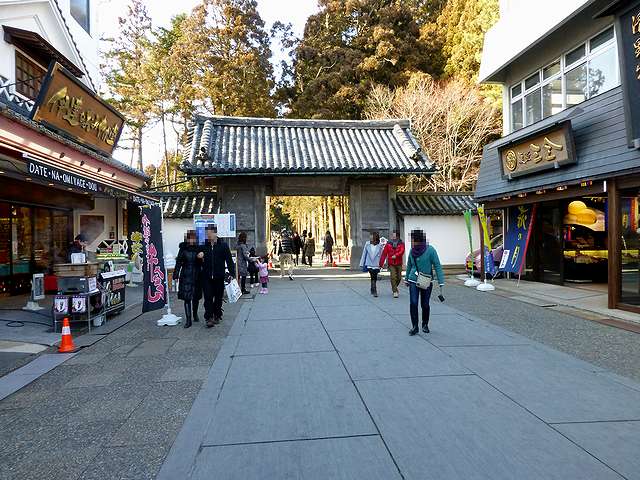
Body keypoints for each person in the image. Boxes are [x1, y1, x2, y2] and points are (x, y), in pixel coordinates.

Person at [405, 229, 444, 336]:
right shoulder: (412, 250)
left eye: (413, 239)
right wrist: (406, 278)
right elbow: (409, 265)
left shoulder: (431, 250)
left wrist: (441, 281)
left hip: (426, 280)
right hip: (413, 279)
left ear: (418, 239)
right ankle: (415, 326)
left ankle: (425, 324)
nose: (411, 241)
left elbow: (437, 265)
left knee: (425, 304)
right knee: (413, 303)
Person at [198, 225, 235, 328]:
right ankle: (209, 318)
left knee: (218, 298)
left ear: (215, 233)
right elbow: (198, 261)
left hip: (219, 276)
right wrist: (199, 257)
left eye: (210, 233)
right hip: (206, 276)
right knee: (208, 297)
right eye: (207, 234)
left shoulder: (223, 245)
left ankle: (217, 315)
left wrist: (232, 274)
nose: (208, 236)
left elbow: (229, 260)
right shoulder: (203, 246)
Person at [174, 230, 201, 328]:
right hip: (186, 275)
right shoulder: (183, 249)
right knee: (187, 298)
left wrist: (201, 258)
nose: (191, 240)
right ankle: (188, 319)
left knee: (196, 297)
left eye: (193, 238)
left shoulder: (199, 249)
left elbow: (203, 263)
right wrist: (176, 275)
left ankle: (195, 314)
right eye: (190, 238)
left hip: (197, 275)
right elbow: (178, 262)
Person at [380, 230, 405, 298]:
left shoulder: (401, 243)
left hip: (399, 263)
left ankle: (394, 287)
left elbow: (402, 251)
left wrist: (396, 255)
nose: (393, 237)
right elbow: (384, 254)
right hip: (391, 263)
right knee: (393, 277)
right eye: (392, 235)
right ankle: (395, 291)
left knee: (399, 277)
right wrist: (381, 264)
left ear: (397, 236)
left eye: (394, 235)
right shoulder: (388, 244)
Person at [360, 231, 384, 297]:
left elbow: (382, 255)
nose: (370, 238)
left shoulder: (380, 245)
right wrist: (362, 263)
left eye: (372, 237)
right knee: (372, 276)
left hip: (376, 264)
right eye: (370, 237)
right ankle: (374, 290)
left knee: (374, 277)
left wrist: (382, 264)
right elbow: (364, 254)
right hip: (369, 263)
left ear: (375, 238)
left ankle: (372, 288)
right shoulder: (367, 244)